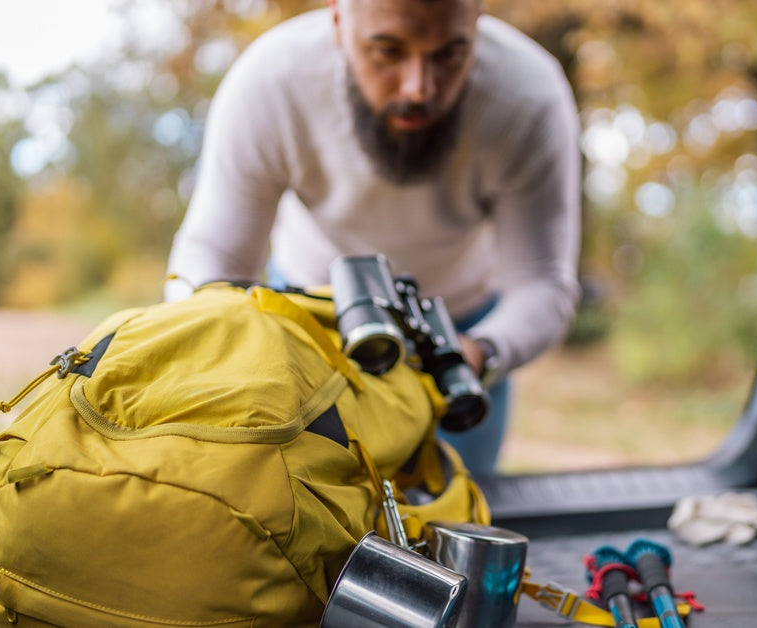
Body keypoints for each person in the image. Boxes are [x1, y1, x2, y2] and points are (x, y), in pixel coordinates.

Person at [164, 0, 581, 476]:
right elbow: (213, 257)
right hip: (306, 319)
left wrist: (480, 352)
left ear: (477, 24)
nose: (418, 88)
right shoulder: (272, 81)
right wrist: (214, 345)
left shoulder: (529, 95)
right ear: (339, 23)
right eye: (388, 51)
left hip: (463, 335)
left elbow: (543, 282)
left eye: (449, 55)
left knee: (459, 519)